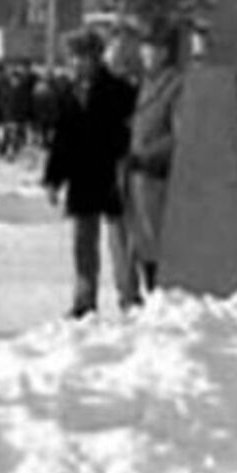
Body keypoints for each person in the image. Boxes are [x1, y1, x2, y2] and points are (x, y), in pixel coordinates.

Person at [43, 28, 139, 318]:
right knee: (84, 244)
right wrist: (53, 178)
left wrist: (128, 162)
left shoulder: (120, 91)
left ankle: (130, 297)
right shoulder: (68, 93)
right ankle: (85, 301)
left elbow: (133, 132)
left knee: (120, 242)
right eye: (72, 57)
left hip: (112, 173)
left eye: (80, 57)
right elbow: (62, 140)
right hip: (82, 176)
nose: (75, 63)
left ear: (95, 58)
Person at [124, 22, 182, 295]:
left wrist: (147, 156)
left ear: (164, 52)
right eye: (144, 48)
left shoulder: (174, 85)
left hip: (158, 175)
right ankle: (151, 295)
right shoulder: (147, 84)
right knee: (142, 242)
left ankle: (162, 295)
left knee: (158, 242)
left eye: (150, 48)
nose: (144, 54)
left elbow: (179, 135)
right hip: (138, 176)